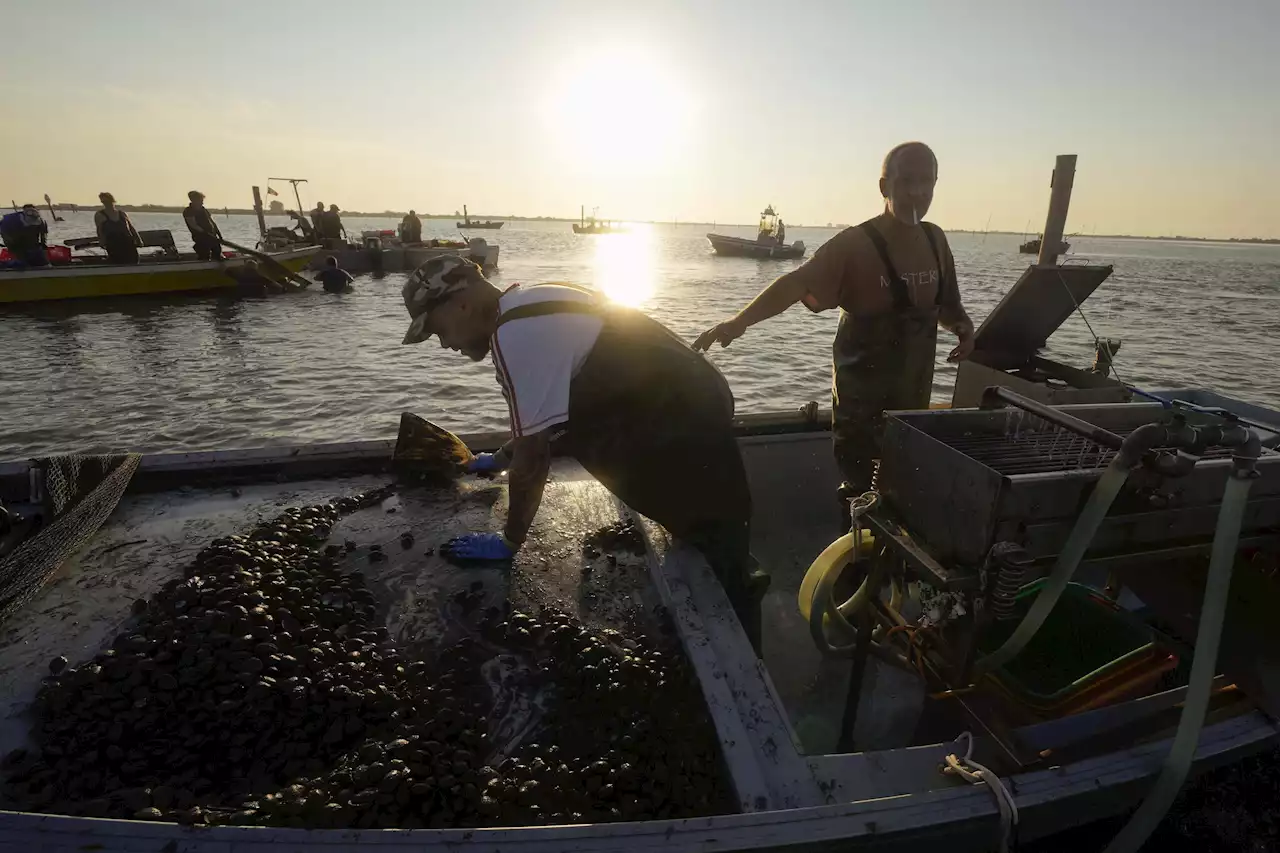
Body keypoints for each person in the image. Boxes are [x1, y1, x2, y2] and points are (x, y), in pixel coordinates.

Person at [400, 256, 766, 651]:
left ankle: (746, 665)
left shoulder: (513, 337)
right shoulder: (531, 300)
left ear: (461, 304)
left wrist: (509, 541)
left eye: (438, 331)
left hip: (686, 428)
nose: (446, 345)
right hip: (696, 399)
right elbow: (542, 418)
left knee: (724, 560)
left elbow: (535, 456)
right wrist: (502, 457)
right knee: (715, 538)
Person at [694, 142, 974, 502]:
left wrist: (963, 329)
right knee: (861, 495)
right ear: (884, 186)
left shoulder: (936, 240)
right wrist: (739, 322)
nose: (918, 193)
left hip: (912, 409)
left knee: (902, 494)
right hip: (861, 413)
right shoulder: (854, 246)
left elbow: (948, 306)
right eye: (906, 182)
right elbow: (795, 283)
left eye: (927, 182)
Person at [94, 192, 141, 264]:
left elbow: (131, 228)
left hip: (127, 240)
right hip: (113, 242)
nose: (106, 203)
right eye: (103, 202)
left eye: (107, 201)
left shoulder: (122, 214)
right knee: (116, 261)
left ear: (112, 200)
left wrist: (138, 239)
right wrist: (102, 241)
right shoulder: (100, 215)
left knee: (134, 260)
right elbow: (99, 230)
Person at [183, 191, 223, 261]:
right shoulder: (188, 211)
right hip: (200, 236)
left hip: (212, 235)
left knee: (217, 251)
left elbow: (211, 222)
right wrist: (205, 232)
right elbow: (193, 225)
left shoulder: (203, 209)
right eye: (200, 200)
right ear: (194, 200)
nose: (202, 202)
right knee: (204, 253)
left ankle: (217, 263)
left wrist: (218, 233)